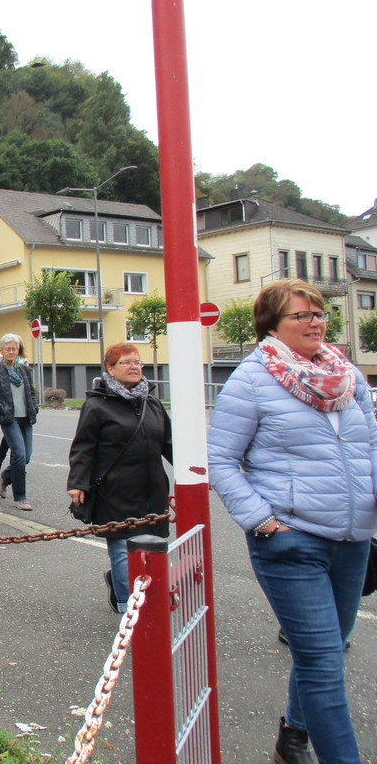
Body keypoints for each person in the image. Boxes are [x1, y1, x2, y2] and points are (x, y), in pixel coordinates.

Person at [208, 279, 377, 764]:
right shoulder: (252, 378)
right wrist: (263, 522)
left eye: (319, 313)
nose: (315, 322)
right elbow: (220, 459)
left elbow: (371, 445)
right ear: (272, 325)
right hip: (291, 542)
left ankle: (293, 738)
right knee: (323, 664)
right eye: (301, 315)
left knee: (328, 651)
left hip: (354, 540)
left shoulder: (348, 376)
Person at [66, 343, 172, 613]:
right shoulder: (97, 405)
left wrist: (196, 471)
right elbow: (84, 447)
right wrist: (78, 483)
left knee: (151, 551)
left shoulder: (152, 403)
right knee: (124, 552)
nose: (134, 367)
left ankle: (120, 583)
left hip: (152, 491)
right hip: (115, 492)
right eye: (126, 362)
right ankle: (129, 611)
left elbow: (169, 444)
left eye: (137, 362)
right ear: (110, 369)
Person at [0, 333, 38, 511]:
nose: (11, 352)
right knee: (19, 454)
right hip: (9, 419)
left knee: (26, 457)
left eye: (14, 349)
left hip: (26, 418)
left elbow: (31, 392)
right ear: (1, 350)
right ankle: (20, 498)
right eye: (8, 349)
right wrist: (2, 408)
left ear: (18, 350)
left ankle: (5, 477)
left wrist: (34, 407)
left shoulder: (24, 370)